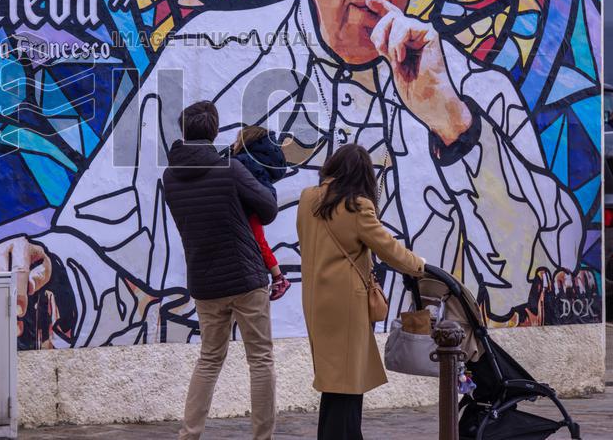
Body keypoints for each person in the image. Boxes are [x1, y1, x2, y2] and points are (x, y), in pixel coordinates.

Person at [0, 0, 586, 349]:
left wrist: (453, 125)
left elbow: (543, 273)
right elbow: (106, 249)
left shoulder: (473, 96)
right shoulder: (204, 56)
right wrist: (46, 274)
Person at [162, 100, 279, 440]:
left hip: (205, 281)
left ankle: (190, 433)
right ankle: (262, 437)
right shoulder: (230, 169)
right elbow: (268, 208)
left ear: (184, 132)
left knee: (209, 359)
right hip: (245, 277)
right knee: (260, 360)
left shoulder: (170, 177)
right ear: (213, 132)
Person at [296, 143, 425, 440]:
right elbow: (390, 249)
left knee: (334, 380)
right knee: (348, 382)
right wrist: (420, 265)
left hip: (316, 301)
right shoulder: (357, 207)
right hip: (346, 304)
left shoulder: (307, 199)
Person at [231, 125, 292, 300]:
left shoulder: (243, 160)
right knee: (259, 241)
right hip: (254, 206)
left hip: (248, 208)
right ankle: (279, 277)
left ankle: (279, 278)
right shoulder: (259, 157)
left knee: (259, 242)